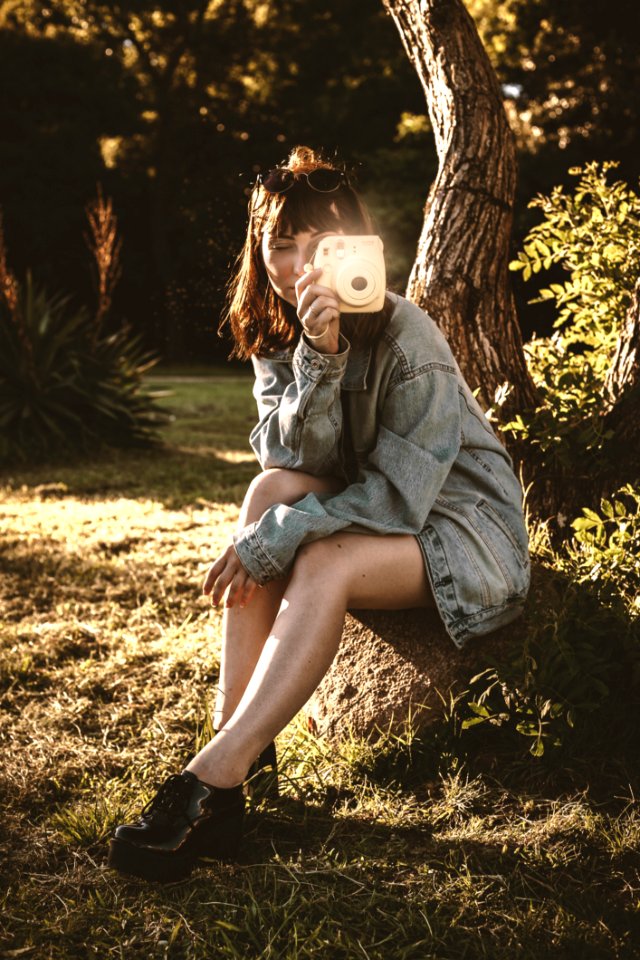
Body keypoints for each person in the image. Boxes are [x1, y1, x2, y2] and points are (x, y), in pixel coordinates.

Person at [108, 146, 530, 882]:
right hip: (380, 515)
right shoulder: (283, 341)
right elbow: (291, 459)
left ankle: (210, 782)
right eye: (281, 242)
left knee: (314, 552)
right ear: (258, 251)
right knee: (267, 493)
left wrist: (283, 539)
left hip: (461, 528)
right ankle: (238, 755)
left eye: (319, 243)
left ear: (355, 245)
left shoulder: (409, 335)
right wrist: (320, 352)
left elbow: (402, 501)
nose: (301, 263)